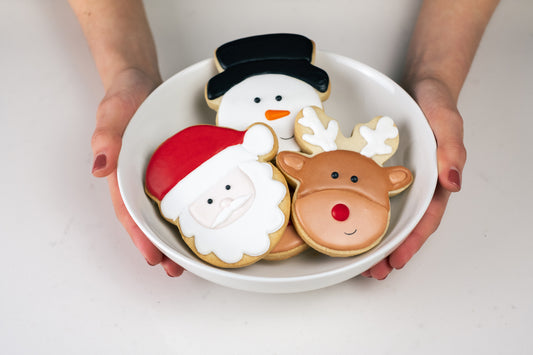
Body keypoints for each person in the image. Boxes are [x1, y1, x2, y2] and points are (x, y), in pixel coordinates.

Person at [69, 0, 500, 279]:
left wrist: (434, 73)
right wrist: (128, 67)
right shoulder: (243, 150)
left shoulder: (314, 141)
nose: (275, 110)